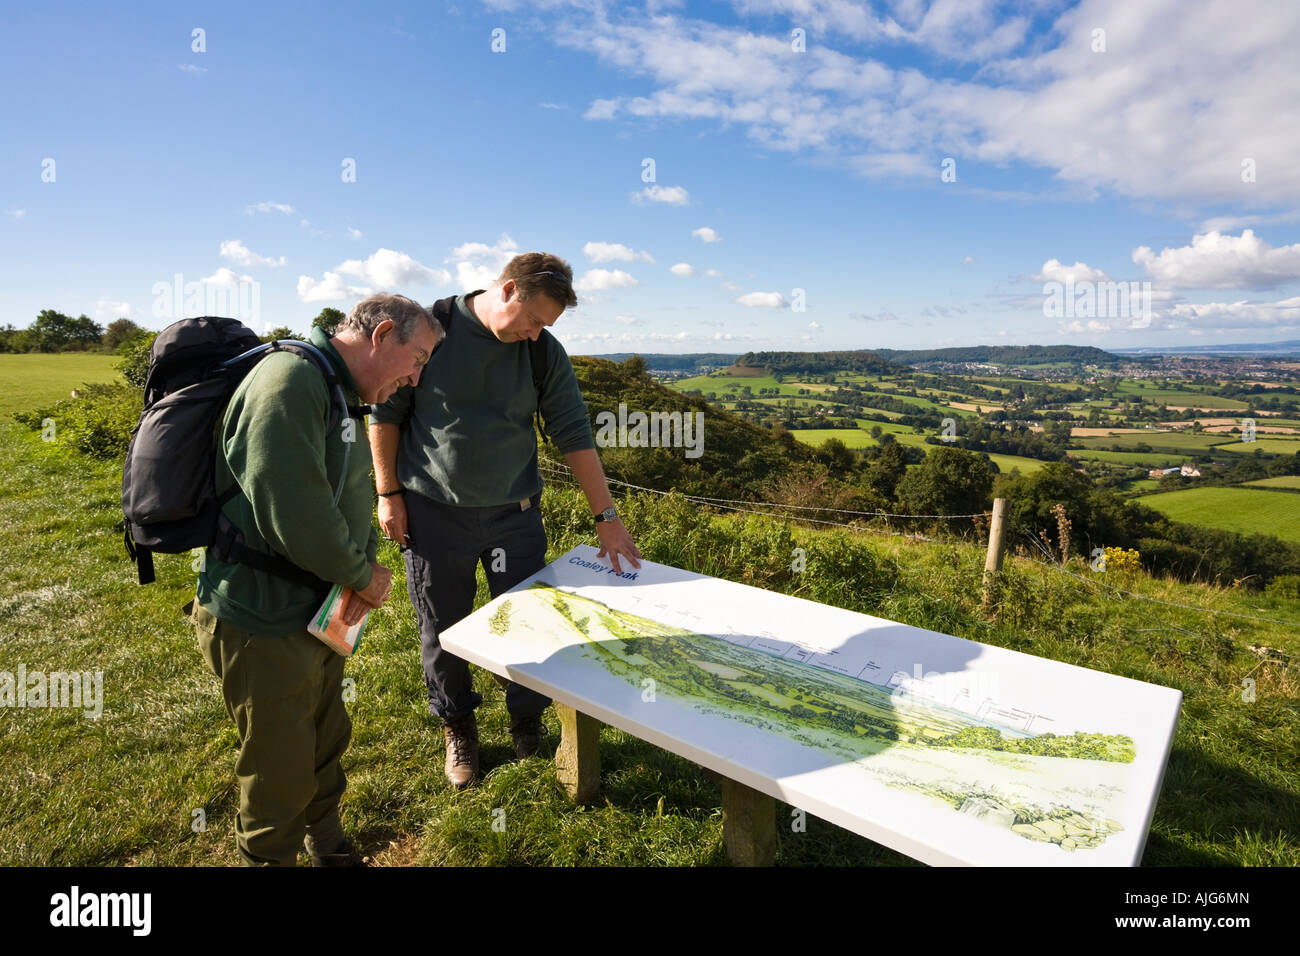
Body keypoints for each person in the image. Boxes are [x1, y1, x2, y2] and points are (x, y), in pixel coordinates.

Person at [369, 252, 642, 788]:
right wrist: (388, 493)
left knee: (526, 621)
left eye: (548, 326)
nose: (537, 333)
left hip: (514, 517)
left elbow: (573, 433)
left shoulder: (542, 352)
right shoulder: (431, 331)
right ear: (508, 290)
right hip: (432, 512)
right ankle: (459, 728)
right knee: (441, 626)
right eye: (535, 319)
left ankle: (526, 717)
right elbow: (386, 413)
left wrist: (606, 517)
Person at [189, 293, 443, 865]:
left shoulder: (336, 388)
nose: (416, 376)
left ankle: (329, 847)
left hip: (314, 610)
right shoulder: (290, 381)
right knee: (278, 766)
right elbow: (294, 513)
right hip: (264, 619)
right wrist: (362, 573)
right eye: (418, 358)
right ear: (381, 335)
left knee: (324, 741)